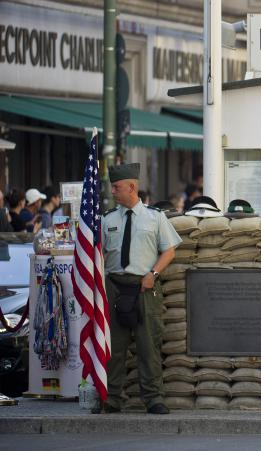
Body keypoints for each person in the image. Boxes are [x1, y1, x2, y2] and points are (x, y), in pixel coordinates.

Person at [95, 163, 181, 415]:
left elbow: (169, 250)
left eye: (117, 187)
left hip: (145, 287)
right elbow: (96, 254)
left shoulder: (155, 217)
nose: (113, 191)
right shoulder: (107, 219)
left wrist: (153, 274)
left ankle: (153, 398)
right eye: (112, 186)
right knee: (114, 347)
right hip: (114, 288)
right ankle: (111, 398)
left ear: (132, 187)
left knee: (148, 345)